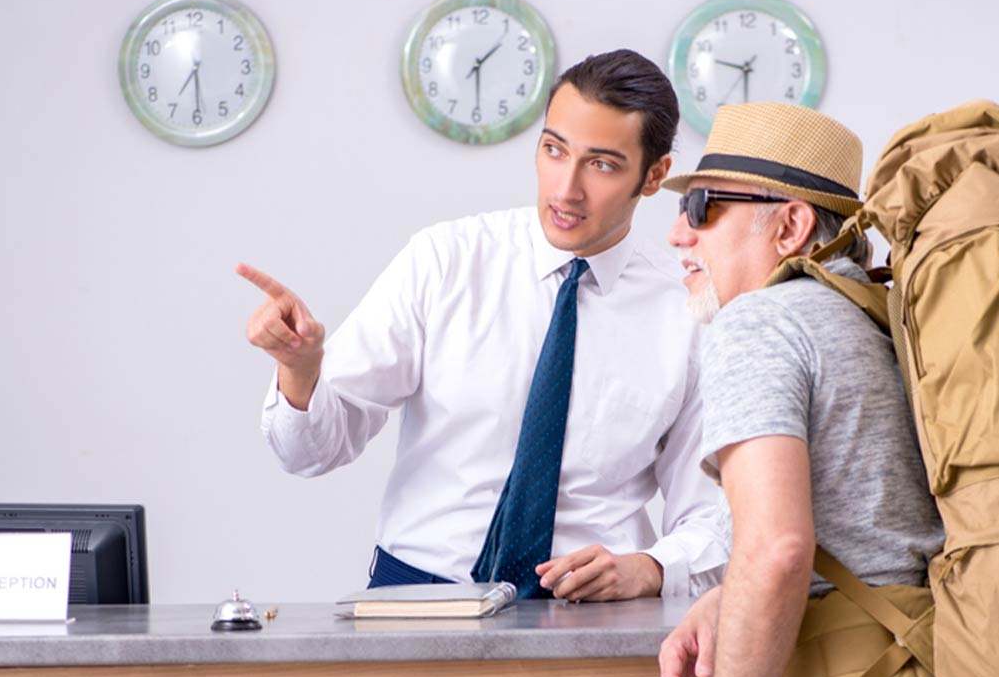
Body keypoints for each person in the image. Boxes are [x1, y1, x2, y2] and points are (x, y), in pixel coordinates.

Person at [238, 50, 727, 600]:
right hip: (416, 598)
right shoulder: (446, 261)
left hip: (594, 612)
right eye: (553, 150)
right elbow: (308, 454)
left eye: (602, 164)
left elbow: (715, 518)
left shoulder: (687, 310)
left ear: (655, 175)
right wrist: (300, 372)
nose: (566, 189)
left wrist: (652, 568)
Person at [656, 102, 999, 677]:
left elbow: (779, 553)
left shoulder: (760, 324)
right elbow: (876, 527)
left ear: (791, 226)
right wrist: (723, 600)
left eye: (703, 207)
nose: (679, 231)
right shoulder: (899, 328)